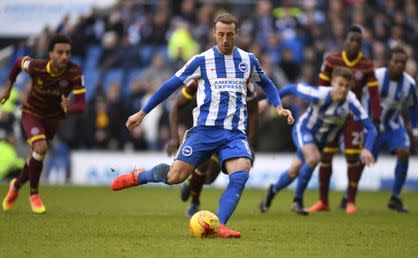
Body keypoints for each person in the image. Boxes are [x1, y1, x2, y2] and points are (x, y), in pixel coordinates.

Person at [110, 14, 293, 238]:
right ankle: (141, 176)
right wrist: (142, 112)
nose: (225, 39)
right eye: (221, 34)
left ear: (236, 34)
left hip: (233, 133)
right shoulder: (201, 60)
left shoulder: (248, 60)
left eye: (229, 35)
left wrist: (278, 106)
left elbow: (267, 83)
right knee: (174, 177)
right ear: (214, 34)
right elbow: (170, 86)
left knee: (241, 171)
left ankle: (221, 224)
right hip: (204, 131)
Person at [260, 67, 377, 215]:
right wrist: (267, 102)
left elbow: (371, 128)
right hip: (304, 130)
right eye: (340, 84)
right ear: (332, 83)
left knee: (294, 170)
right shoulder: (319, 94)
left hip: (321, 141)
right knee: (313, 158)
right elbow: (290, 88)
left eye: (347, 86)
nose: (343, 89)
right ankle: (297, 201)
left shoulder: (351, 101)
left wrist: (367, 148)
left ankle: (273, 190)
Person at [0, 34, 86, 214]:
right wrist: (8, 87)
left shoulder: (74, 72)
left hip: (53, 119)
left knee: (36, 156)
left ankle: (16, 185)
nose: (65, 56)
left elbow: (81, 104)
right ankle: (34, 194)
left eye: (67, 53)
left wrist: (68, 108)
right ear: (51, 54)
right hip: (32, 113)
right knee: (40, 148)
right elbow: (17, 64)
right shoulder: (37, 66)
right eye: (60, 52)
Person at [309, 25, 381, 214]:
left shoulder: (366, 65)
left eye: (358, 41)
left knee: (352, 157)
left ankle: (350, 201)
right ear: (346, 41)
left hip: (353, 115)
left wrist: (376, 117)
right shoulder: (332, 60)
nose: (354, 44)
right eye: (352, 40)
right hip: (331, 115)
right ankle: (323, 201)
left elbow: (374, 94)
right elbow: (322, 87)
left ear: (361, 44)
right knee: (326, 156)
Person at [166, 79, 259, 217]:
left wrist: (250, 144)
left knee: (209, 178)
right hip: (204, 132)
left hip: (230, 135)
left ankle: (190, 182)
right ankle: (194, 203)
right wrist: (174, 138)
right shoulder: (197, 81)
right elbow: (176, 106)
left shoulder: (243, 82)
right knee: (202, 167)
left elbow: (253, 112)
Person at [372, 46, 418, 212]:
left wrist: (415, 131)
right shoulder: (376, 76)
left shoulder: (409, 84)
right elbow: (363, 97)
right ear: (389, 62)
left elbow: (414, 107)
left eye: (403, 62)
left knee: (404, 152)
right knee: (362, 160)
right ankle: (349, 197)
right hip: (373, 126)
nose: (399, 65)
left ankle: (395, 197)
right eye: (396, 61)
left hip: (393, 125)